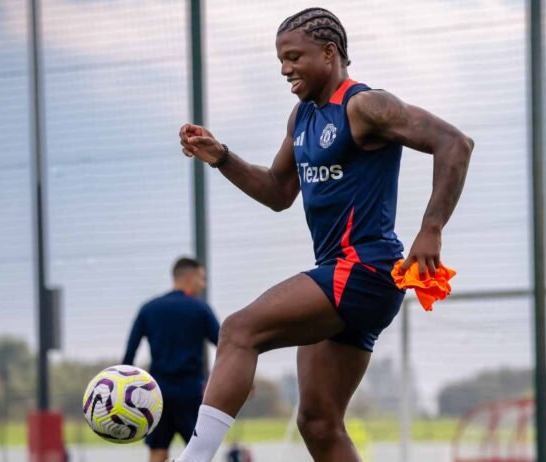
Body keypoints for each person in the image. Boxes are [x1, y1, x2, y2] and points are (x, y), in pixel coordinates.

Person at [176, 7, 473, 462]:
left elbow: (455, 143)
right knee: (317, 422)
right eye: (280, 59)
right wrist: (221, 156)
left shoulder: (365, 105)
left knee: (238, 330)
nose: (284, 68)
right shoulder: (302, 119)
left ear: (329, 53)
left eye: (295, 56)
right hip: (343, 275)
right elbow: (278, 192)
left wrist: (430, 229)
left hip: (367, 268)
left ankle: (193, 459)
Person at [123, 257, 220, 462]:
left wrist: (124, 390)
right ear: (189, 277)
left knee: (157, 450)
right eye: (202, 279)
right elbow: (226, 345)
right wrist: (242, 379)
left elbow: (130, 352)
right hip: (191, 392)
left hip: (157, 394)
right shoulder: (200, 309)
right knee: (199, 454)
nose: (204, 285)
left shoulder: (149, 308)